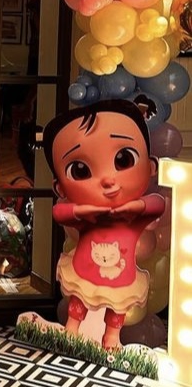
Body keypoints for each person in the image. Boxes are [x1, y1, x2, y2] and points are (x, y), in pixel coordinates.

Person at [42, 99, 165, 350]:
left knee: (118, 308)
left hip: (122, 278)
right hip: (84, 272)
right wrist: (83, 210)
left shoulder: (132, 218)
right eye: (80, 170)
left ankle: (111, 337)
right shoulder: (88, 217)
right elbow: (59, 212)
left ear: (150, 166)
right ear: (60, 187)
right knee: (78, 301)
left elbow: (158, 205)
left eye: (123, 159)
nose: (108, 179)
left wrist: (137, 206)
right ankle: (71, 330)